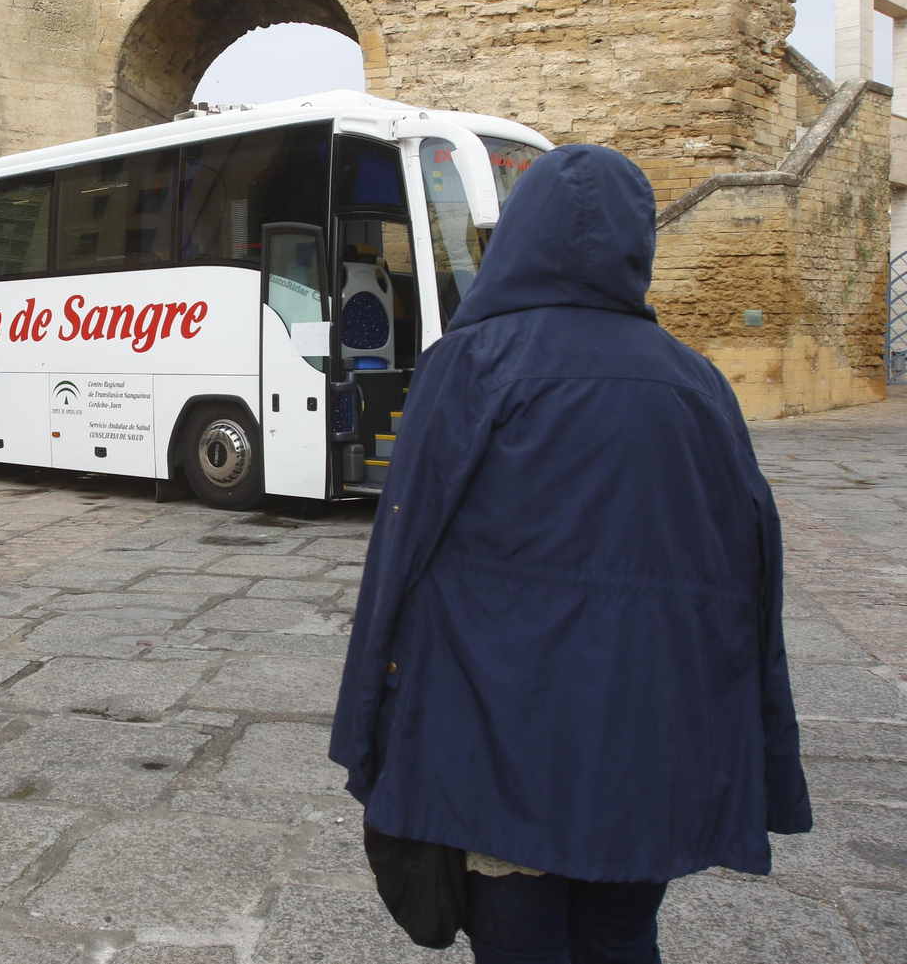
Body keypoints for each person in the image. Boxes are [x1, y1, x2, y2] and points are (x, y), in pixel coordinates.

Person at [329, 145, 811, 963]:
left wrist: (370, 731)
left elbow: (398, 560)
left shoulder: (471, 364)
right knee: (623, 937)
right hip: (649, 749)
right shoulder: (699, 386)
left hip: (503, 747)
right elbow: (751, 578)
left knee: (519, 941)